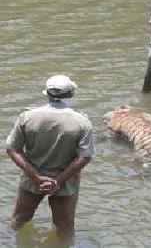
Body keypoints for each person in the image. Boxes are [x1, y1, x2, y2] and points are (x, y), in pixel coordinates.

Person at [6, 75, 94, 241]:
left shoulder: (27, 117)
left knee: (18, 220)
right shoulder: (82, 122)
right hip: (66, 182)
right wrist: (57, 181)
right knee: (65, 229)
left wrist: (37, 177)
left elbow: (12, 150)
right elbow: (84, 157)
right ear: (71, 95)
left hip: (32, 179)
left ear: (47, 94)